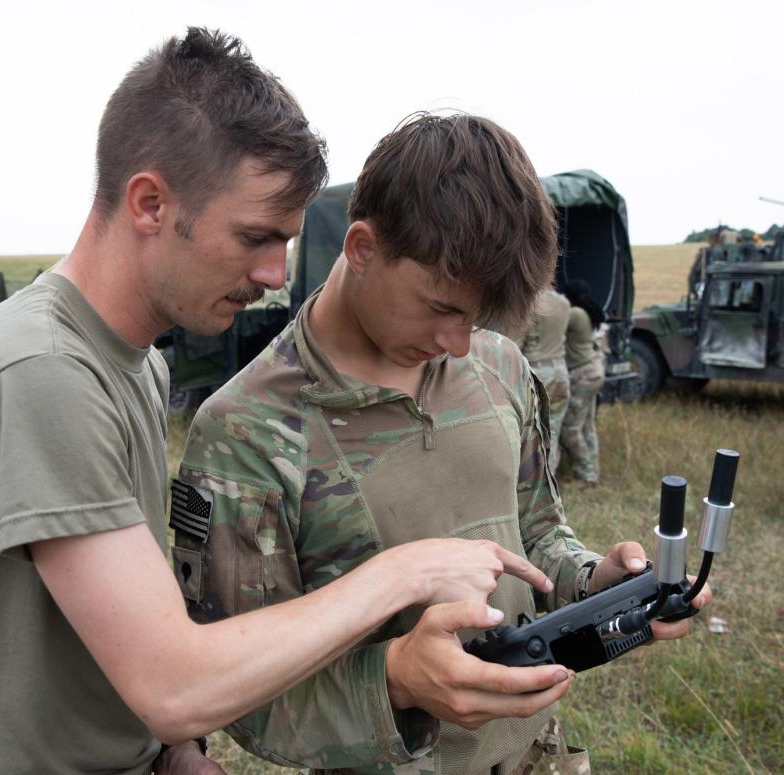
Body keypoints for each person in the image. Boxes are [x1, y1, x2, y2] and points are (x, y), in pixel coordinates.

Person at [0, 31, 554, 774]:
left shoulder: (129, 366)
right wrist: (402, 573)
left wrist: (172, 751)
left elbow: (122, 621)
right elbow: (174, 682)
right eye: (255, 236)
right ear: (150, 204)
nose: (273, 273)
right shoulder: (39, 372)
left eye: (287, 241)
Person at [174, 113, 711, 774]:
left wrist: (596, 584)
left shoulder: (501, 367)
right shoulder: (246, 433)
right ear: (363, 248)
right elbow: (234, 690)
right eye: (442, 308)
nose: (460, 344)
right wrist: (396, 682)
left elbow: (535, 534)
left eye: (477, 317)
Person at [517, 288, 571, 472]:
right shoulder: (564, 303)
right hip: (561, 371)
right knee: (553, 430)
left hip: (538, 372)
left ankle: (531, 482)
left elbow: (516, 344)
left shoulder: (530, 302)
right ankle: (550, 478)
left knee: (531, 432)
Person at [561, 279, 606, 484]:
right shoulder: (586, 312)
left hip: (583, 375)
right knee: (587, 426)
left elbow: (552, 317)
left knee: (570, 429)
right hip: (593, 371)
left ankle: (587, 473)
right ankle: (593, 471)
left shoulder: (575, 314)